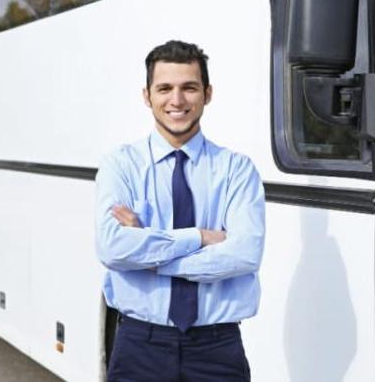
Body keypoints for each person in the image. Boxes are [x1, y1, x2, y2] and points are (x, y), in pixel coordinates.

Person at [95, 40, 265, 381]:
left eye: (189, 88)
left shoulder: (237, 170)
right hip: (139, 345)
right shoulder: (121, 166)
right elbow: (113, 248)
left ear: (208, 93)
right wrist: (198, 237)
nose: (177, 100)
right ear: (147, 96)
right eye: (164, 89)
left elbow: (244, 254)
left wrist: (148, 254)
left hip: (217, 348)